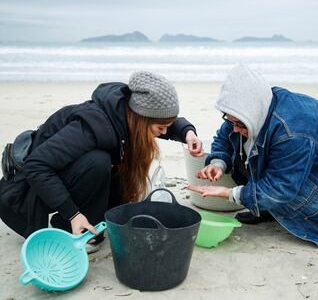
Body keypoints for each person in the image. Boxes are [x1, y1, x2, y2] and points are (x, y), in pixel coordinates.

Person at [0, 71, 203, 252]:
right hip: (25, 195)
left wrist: (187, 133)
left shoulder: (126, 113)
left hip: (61, 176)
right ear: (142, 119)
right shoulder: (92, 125)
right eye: (161, 128)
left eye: (167, 127)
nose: (165, 132)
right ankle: (67, 225)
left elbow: (166, 121)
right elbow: (37, 165)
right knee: (98, 161)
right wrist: (73, 215)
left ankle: (91, 221)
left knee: (113, 162)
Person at [188, 65, 318, 247]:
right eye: (231, 120)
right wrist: (218, 163)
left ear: (252, 111)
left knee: (276, 185)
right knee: (240, 146)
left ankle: (269, 205)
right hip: (297, 173)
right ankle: (266, 208)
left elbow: (281, 187)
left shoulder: (292, 130)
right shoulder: (247, 111)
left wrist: (230, 193)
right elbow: (225, 136)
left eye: (240, 124)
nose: (235, 127)